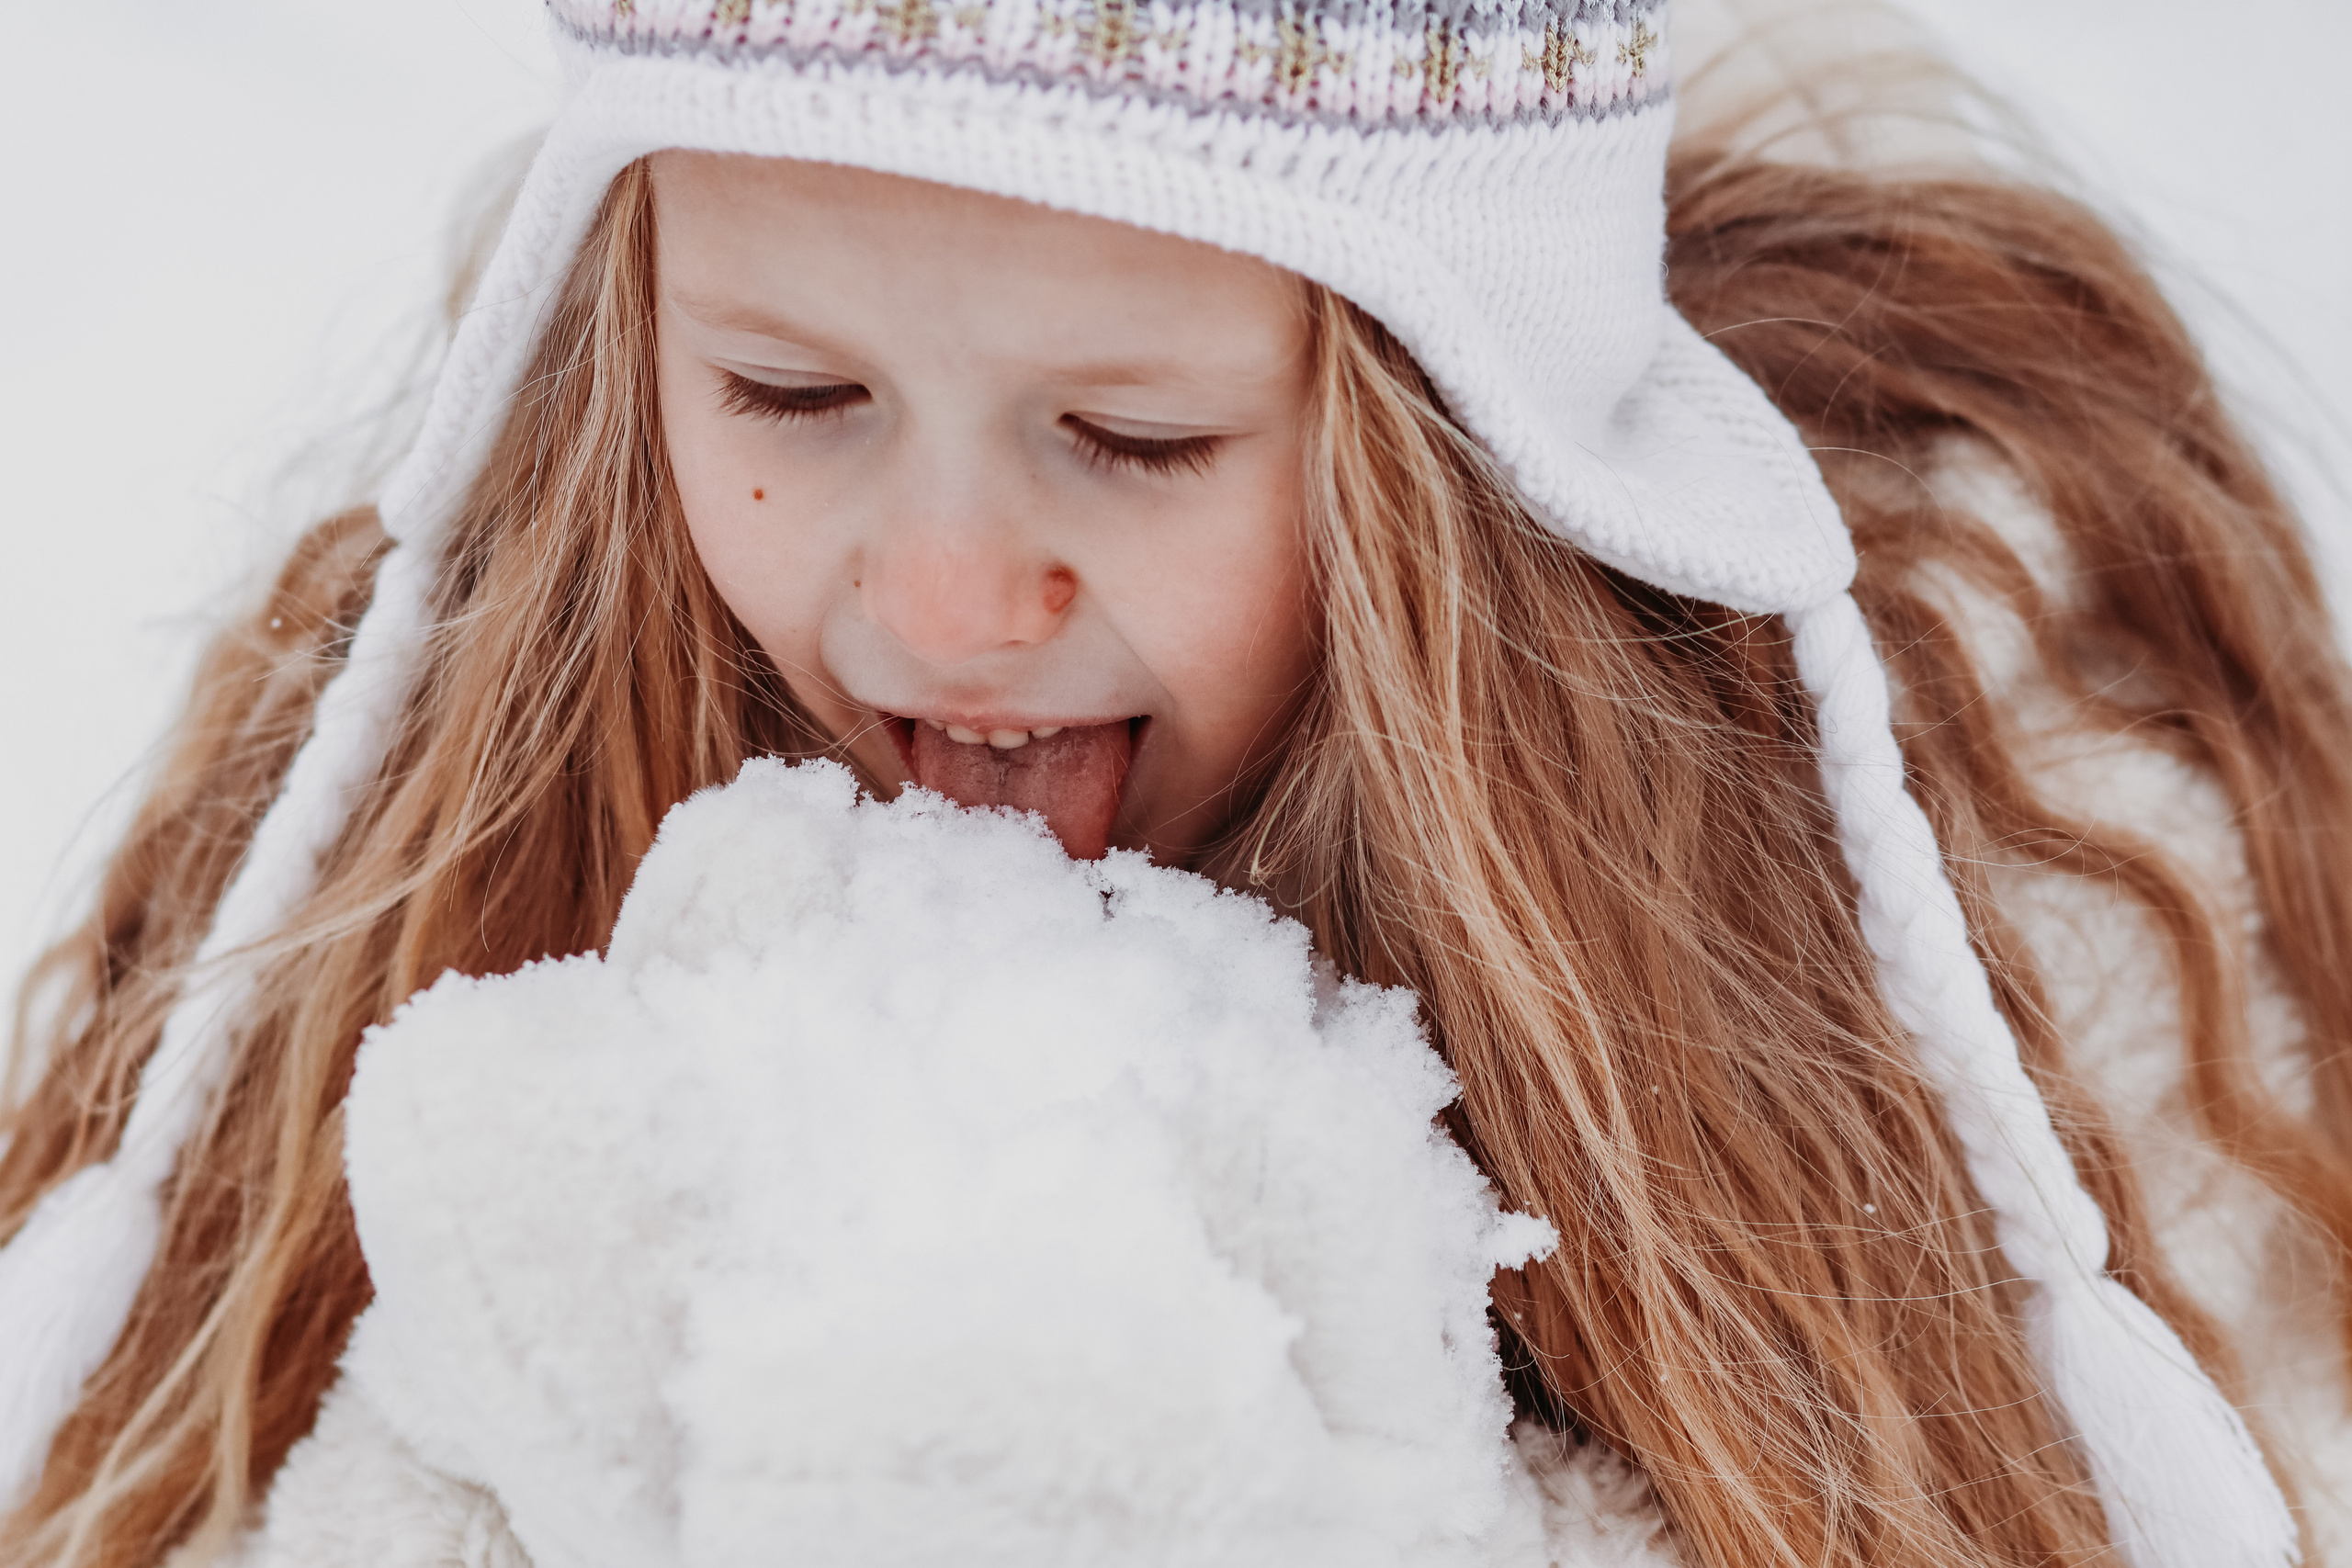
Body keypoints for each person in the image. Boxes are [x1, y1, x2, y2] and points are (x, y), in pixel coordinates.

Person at [4, 1, 2349, 1564]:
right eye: (786, 398)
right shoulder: (446, 792)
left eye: (1131, 440)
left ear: (1450, 459)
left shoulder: (1913, 902)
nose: (938, 596)